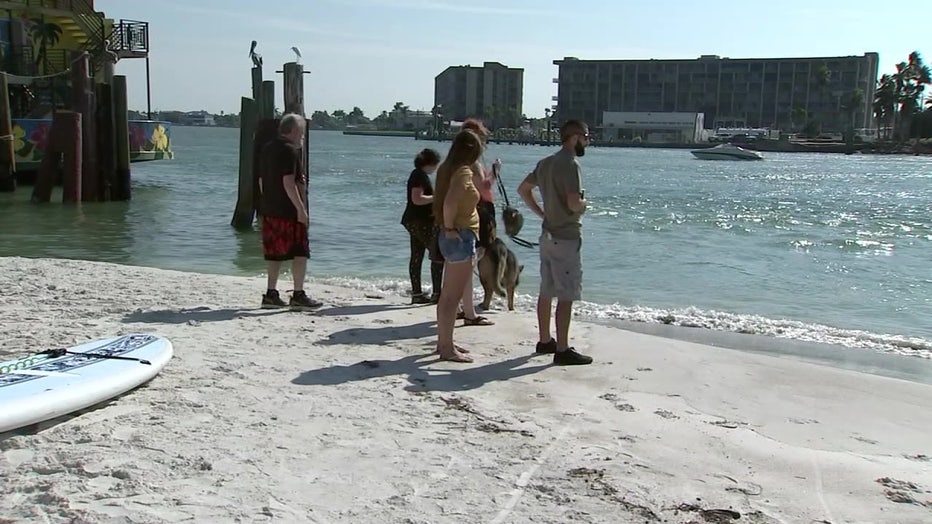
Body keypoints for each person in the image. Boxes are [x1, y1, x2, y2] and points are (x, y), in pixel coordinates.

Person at [517, 119, 593, 366]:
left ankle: (544, 339)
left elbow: (523, 189)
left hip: (547, 235)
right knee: (566, 293)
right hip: (566, 236)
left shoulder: (546, 163)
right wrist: (584, 204)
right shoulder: (571, 164)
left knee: (546, 289)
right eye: (586, 137)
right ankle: (562, 348)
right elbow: (573, 203)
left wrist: (542, 213)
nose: (588, 142)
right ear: (575, 137)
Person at [432, 129, 489, 362]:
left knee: (447, 295)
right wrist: (450, 228)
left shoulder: (447, 169)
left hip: (454, 235)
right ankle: (446, 348)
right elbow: (450, 202)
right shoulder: (463, 171)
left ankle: (444, 343)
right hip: (460, 236)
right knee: (451, 297)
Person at [257, 113, 323, 310]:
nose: (303, 136)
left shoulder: (268, 148)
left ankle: (271, 293)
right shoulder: (289, 151)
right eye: (301, 132)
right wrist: (301, 210)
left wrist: (267, 202)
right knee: (300, 252)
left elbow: (261, 180)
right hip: (288, 212)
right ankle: (298, 294)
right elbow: (288, 182)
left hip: (270, 210)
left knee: (274, 254)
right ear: (294, 131)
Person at [401, 148, 444, 305]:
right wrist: (437, 197)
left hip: (413, 220)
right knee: (437, 256)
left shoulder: (417, 174)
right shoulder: (419, 175)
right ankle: (437, 293)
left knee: (417, 256)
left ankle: (417, 293)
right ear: (431, 163)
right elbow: (417, 199)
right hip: (421, 221)